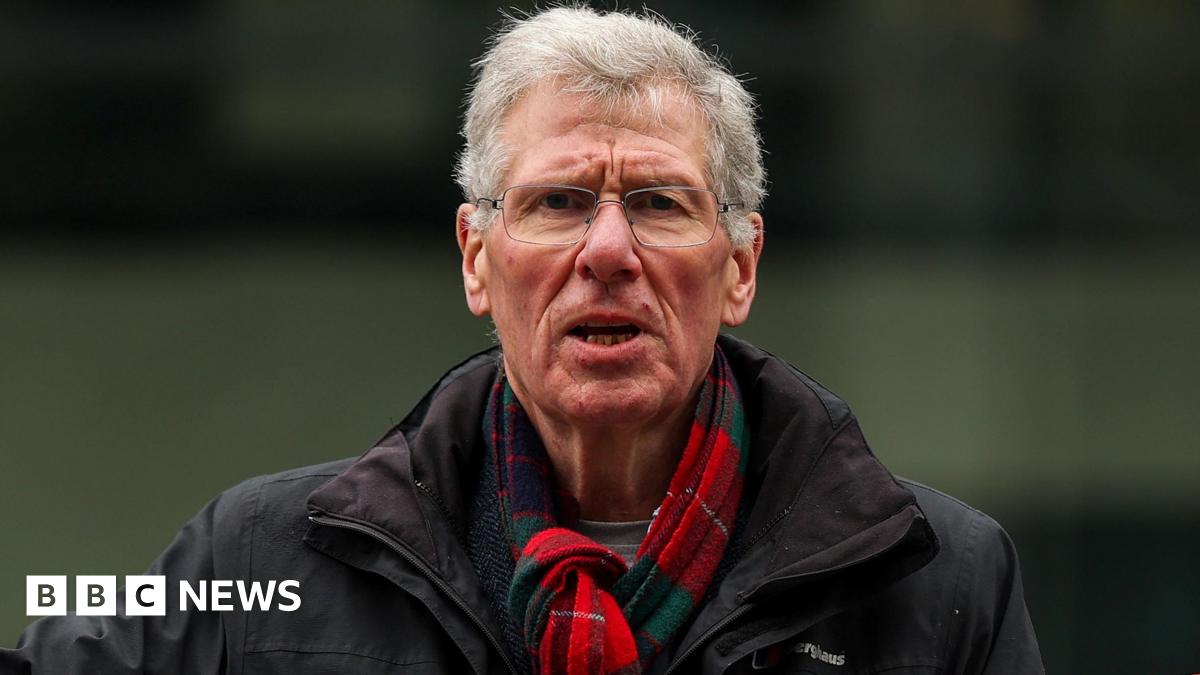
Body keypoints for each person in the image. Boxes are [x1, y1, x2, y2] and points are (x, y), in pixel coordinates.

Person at [2, 7, 1044, 675]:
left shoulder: (938, 582)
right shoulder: (252, 559)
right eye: (557, 202)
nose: (608, 251)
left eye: (659, 202)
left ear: (740, 266)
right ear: (477, 258)